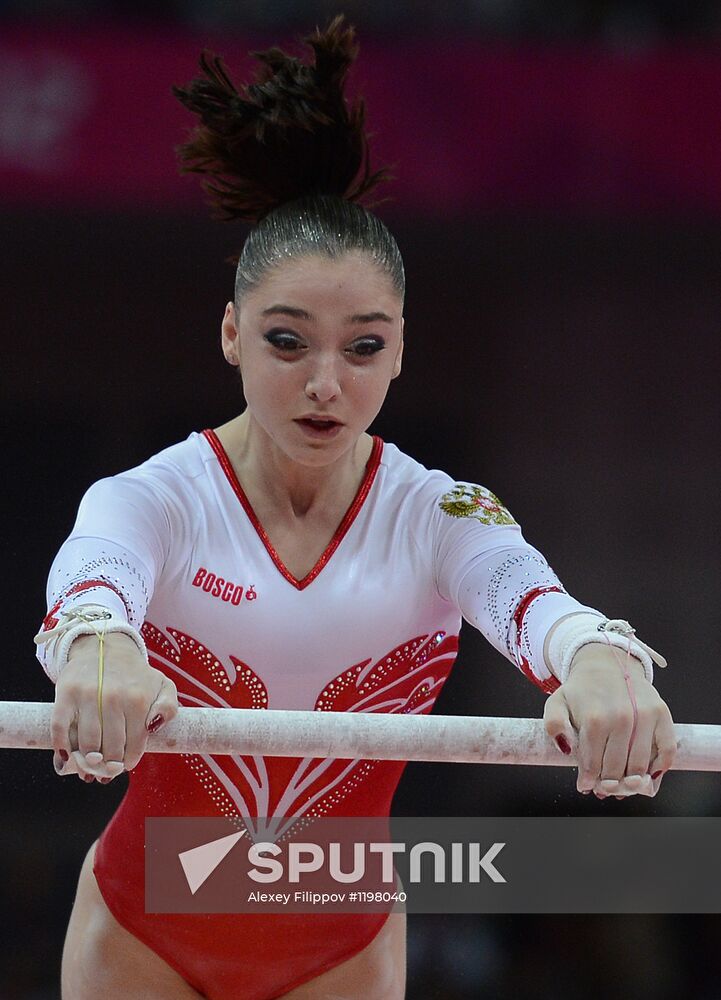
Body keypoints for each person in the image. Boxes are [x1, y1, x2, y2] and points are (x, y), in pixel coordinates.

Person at [34, 17, 676, 1000]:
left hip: (338, 948)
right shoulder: (155, 497)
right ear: (231, 333)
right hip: (144, 932)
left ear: (402, 348)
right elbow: (92, 583)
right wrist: (96, 643)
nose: (325, 383)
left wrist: (595, 658)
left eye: (363, 346)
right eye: (288, 342)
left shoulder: (440, 514)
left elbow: (534, 600)